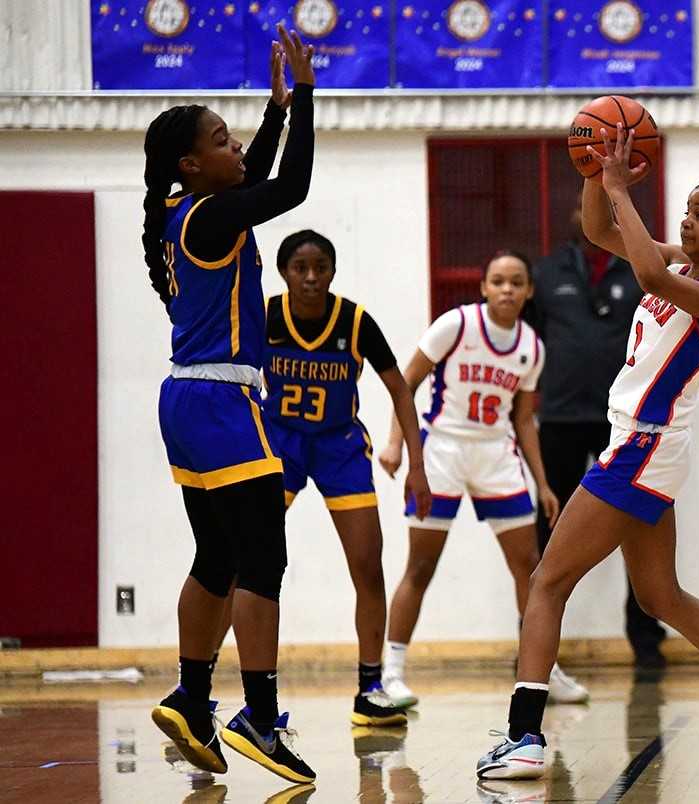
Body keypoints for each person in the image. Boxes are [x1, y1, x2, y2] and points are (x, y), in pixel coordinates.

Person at [476, 125, 699, 780]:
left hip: (640, 449)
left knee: (547, 582)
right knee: (661, 597)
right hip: (645, 449)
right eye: (684, 210)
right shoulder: (678, 267)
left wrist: (621, 186)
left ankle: (525, 739)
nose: (685, 221)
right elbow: (603, 232)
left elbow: (646, 268)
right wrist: (593, 167)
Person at [144, 25, 317, 783]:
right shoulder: (213, 217)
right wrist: (307, 96)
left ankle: (189, 694)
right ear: (191, 163)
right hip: (220, 402)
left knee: (217, 556)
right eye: (223, 139)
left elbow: (256, 170)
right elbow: (290, 187)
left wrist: (274, 110)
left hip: (185, 399)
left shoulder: (189, 212)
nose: (237, 145)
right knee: (263, 559)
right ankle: (257, 712)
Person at [377, 252, 589, 707]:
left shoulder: (532, 346)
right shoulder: (454, 325)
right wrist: (396, 443)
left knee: (530, 567)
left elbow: (525, 421)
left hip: (496, 454)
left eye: (517, 281)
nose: (507, 289)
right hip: (443, 451)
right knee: (421, 566)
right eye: (498, 281)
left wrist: (543, 482)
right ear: (484, 287)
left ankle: (542, 670)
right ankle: (390, 673)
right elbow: (405, 384)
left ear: (529, 291)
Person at [260, 229, 431, 726]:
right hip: (280, 446)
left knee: (368, 565)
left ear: (332, 271)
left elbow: (401, 391)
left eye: (321, 267)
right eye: (300, 267)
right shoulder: (265, 315)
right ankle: (203, 686)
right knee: (242, 561)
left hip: (340, 448)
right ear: (285, 272)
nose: (311, 277)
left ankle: (369, 686)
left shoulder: (354, 320)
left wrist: (416, 466)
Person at [532, 193, 668, 668]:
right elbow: (528, 344)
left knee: (637, 521)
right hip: (560, 417)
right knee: (548, 530)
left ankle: (645, 637)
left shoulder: (640, 269)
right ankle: (539, 644)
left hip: (623, 422)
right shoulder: (546, 274)